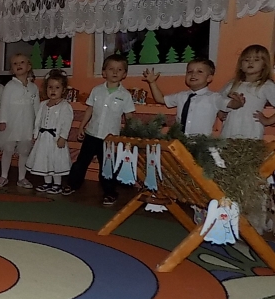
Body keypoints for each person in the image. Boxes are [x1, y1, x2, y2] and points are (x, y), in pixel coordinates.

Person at [63, 53, 135, 205]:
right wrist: (81, 126)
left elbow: (129, 117)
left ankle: (110, 192)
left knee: (107, 167)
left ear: (124, 74)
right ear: (104, 72)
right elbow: (89, 109)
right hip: (91, 134)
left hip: (110, 139)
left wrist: (131, 134)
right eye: (111, 69)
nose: (115, 72)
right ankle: (72, 184)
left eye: (119, 69)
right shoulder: (96, 90)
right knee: (81, 163)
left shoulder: (125, 96)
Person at [143, 58, 240, 136]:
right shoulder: (181, 96)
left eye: (199, 71)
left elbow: (230, 104)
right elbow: (160, 99)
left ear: (209, 78)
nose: (193, 74)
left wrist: (238, 102)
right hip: (180, 140)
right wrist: (152, 82)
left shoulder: (214, 97)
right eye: (189, 71)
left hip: (201, 143)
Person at [217, 45, 275, 140]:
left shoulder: (266, 85)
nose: (250, 62)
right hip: (230, 129)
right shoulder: (232, 84)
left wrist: (268, 120)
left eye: (256, 60)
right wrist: (220, 112)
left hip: (251, 130)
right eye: (246, 60)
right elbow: (217, 100)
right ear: (241, 65)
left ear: (264, 65)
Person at [27, 70, 74, 194]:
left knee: (55, 161)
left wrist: (63, 137)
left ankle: (57, 184)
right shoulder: (43, 104)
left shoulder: (65, 106)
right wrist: (35, 134)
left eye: (57, 88)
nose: (53, 90)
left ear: (63, 90)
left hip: (56, 139)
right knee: (44, 160)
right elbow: (38, 121)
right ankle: (47, 182)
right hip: (43, 139)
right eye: (50, 87)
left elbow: (66, 123)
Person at [0, 53, 39, 189]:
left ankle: (22, 178)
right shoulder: (10, 86)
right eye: (15, 63)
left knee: (24, 151)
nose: (19, 65)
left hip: (27, 124)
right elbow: (4, 104)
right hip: (12, 123)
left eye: (22, 62)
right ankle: (4, 176)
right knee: (8, 149)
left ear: (28, 66)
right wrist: (2, 120)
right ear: (12, 70)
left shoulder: (33, 87)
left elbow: (37, 107)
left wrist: (37, 126)